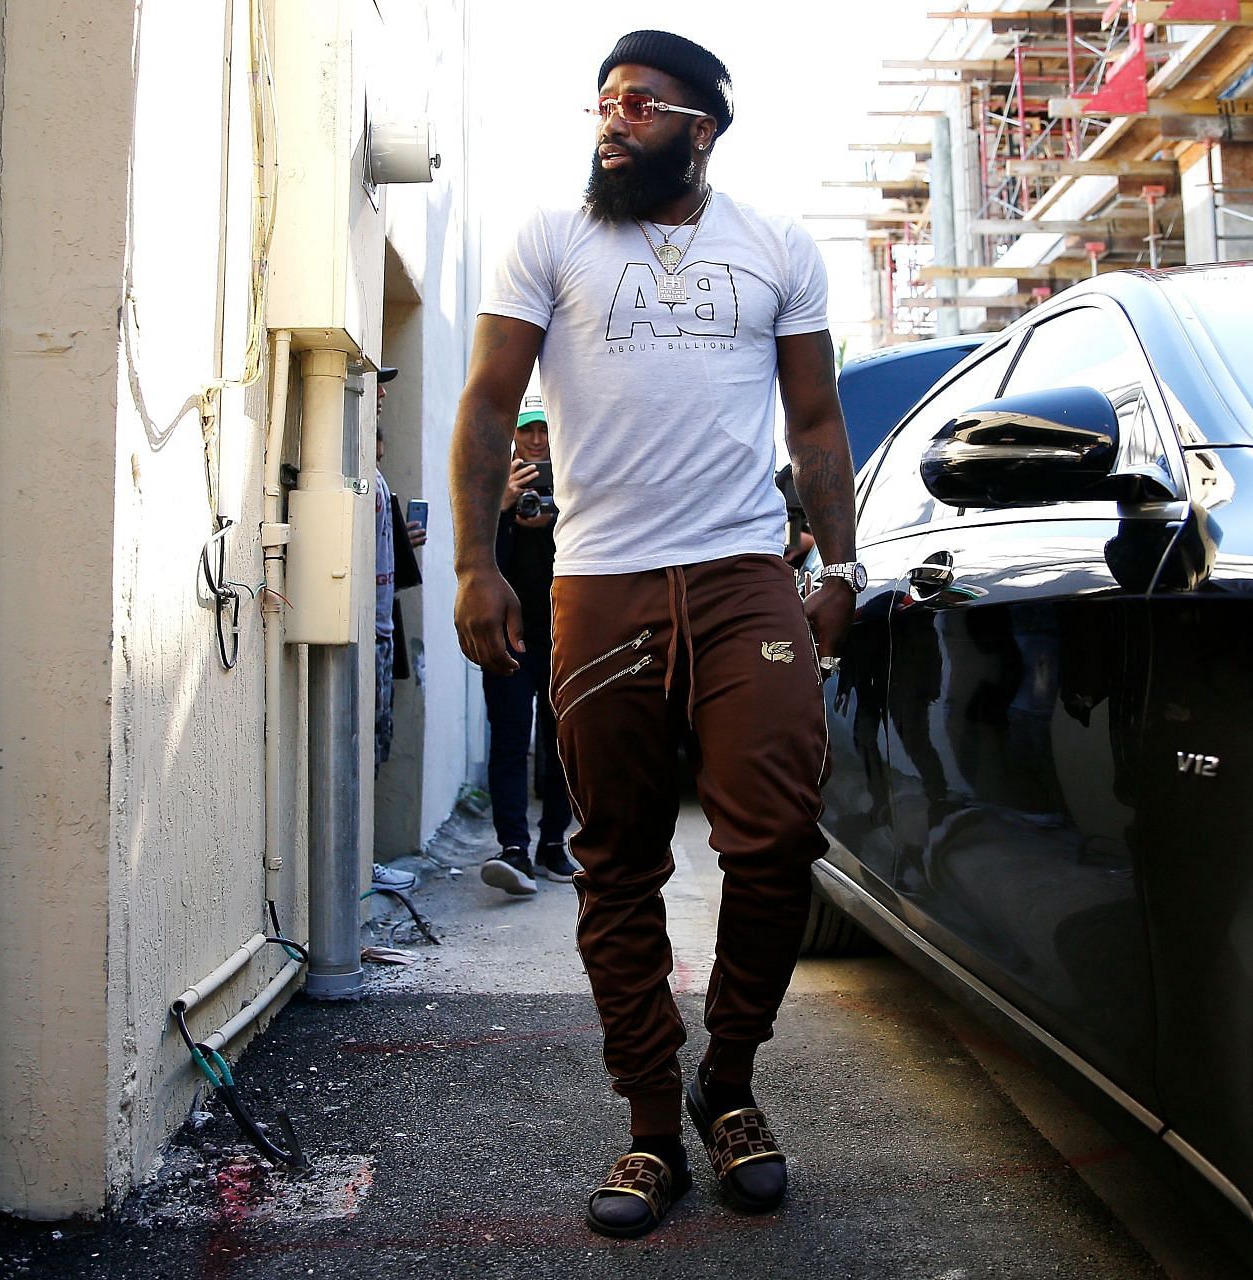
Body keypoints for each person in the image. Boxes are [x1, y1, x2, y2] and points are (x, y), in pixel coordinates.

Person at [448, 30, 859, 1240]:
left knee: (776, 833)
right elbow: (482, 399)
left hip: (742, 575)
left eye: (639, 104)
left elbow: (819, 418)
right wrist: (475, 559)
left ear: (703, 127)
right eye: (602, 102)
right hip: (605, 582)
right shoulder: (550, 237)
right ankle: (646, 1120)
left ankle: (726, 1084)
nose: (611, 121)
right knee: (618, 855)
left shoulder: (777, 245)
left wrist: (838, 564)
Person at [478, 395, 576, 895]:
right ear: (514, 434)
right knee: (511, 742)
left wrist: (555, 521)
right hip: (511, 640)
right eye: (528, 431)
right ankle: (514, 847)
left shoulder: (577, 481)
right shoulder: (494, 483)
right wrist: (501, 512)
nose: (537, 440)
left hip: (563, 637)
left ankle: (554, 842)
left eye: (544, 430)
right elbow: (480, 564)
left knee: (563, 746)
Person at [374, 366, 426, 894]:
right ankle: (357, 865)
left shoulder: (378, 482)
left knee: (375, 751)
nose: (385, 392)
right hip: (365, 637)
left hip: (383, 634)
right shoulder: (354, 476)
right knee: (360, 751)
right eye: (378, 382)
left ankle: (363, 860)